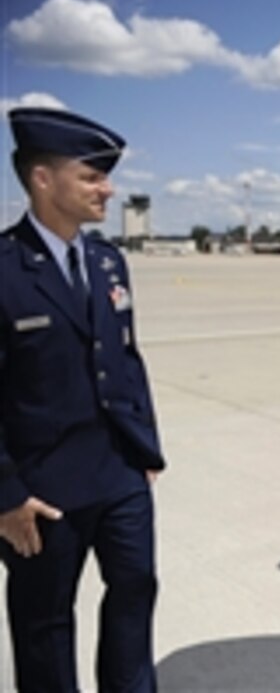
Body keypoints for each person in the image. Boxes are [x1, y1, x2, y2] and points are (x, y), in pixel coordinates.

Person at [0, 107, 165, 691]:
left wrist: (146, 451)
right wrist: (6, 494)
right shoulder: (5, 269)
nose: (108, 188)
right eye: (92, 176)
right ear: (43, 179)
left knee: (135, 597)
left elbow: (127, 361)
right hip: (42, 494)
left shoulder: (106, 260)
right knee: (45, 627)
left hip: (120, 475)